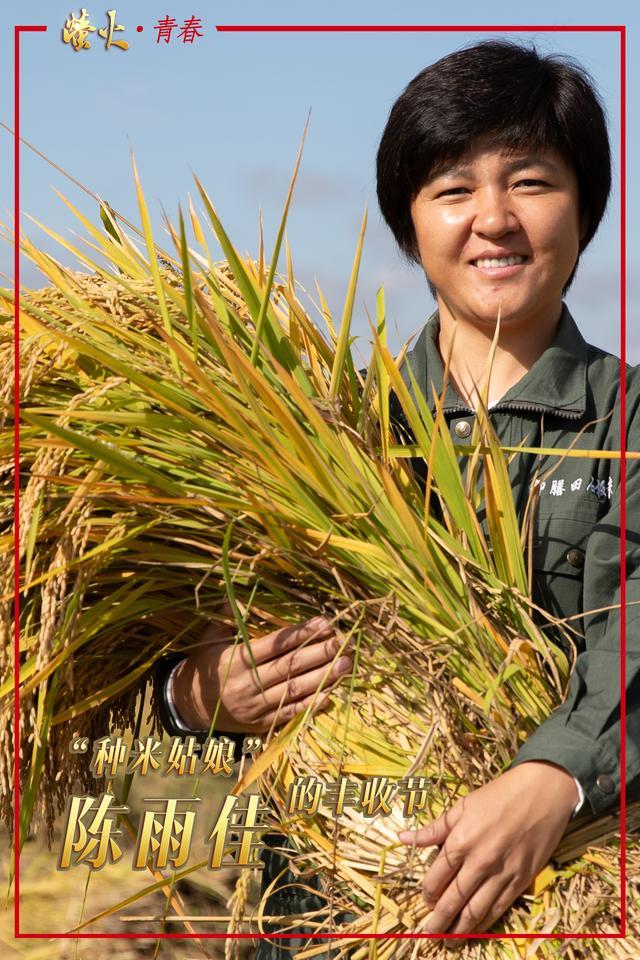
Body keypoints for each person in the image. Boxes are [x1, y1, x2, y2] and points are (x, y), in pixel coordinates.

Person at [156, 39, 639, 952]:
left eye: (531, 182)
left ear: (587, 209)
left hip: (571, 914)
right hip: (317, 917)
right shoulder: (315, 431)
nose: (493, 218)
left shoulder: (633, 420)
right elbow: (148, 652)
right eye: (453, 189)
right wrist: (199, 694)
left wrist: (554, 779)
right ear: (408, 221)